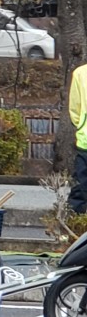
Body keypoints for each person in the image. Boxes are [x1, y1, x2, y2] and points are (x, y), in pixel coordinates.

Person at [67, 62, 87, 213]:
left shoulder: (81, 73)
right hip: (85, 142)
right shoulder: (80, 73)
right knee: (80, 189)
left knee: (80, 188)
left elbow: (75, 110)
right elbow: (75, 108)